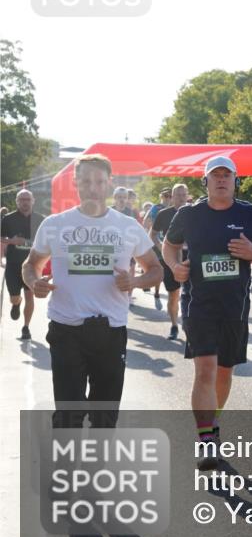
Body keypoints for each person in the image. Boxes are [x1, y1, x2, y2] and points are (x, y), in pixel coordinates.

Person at [22, 154, 162, 428]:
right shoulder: (55, 224)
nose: (92, 187)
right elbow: (31, 263)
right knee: (68, 415)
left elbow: (156, 269)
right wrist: (33, 282)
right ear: (76, 183)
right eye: (85, 180)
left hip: (110, 331)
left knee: (104, 417)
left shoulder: (128, 227)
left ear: (109, 183)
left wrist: (134, 283)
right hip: (66, 330)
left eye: (99, 181)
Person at [162, 155, 252, 470]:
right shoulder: (189, 214)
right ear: (206, 182)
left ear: (235, 181)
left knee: (225, 372)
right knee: (206, 370)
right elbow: (169, 246)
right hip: (198, 304)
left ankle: (213, 423)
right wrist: (175, 267)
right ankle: (207, 441)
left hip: (235, 306)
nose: (222, 180)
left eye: (227, 175)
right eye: (216, 175)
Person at [2, 189, 45, 340]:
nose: (25, 202)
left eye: (27, 199)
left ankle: (26, 327)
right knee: (14, 296)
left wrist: (29, 243)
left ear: (33, 201)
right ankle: (16, 303)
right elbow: (1, 238)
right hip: (14, 264)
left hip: (32, 265)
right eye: (21, 199)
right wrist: (11, 241)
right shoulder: (8, 219)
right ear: (17, 202)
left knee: (30, 296)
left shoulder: (40, 219)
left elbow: (47, 242)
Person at [150, 183, 189, 340]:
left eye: (183, 195)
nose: (181, 198)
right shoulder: (164, 214)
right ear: (172, 197)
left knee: (191, 294)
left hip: (190, 257)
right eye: (177, 195)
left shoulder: (194, 213)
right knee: (173, 295)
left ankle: (188, 324)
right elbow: (152, 234)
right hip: (170, 258)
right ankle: (174, 325)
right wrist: (162, 248)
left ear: (187, 196)